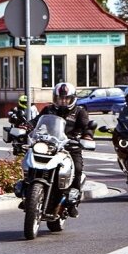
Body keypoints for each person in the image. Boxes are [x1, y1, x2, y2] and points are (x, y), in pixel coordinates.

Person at [36, 82, 94, 217]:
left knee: (77, 169)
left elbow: (87, 127)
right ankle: (30, 191)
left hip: (70, 147)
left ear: (72, 98)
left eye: (66, 98)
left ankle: (73, 200)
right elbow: (36, 122)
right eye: (60, 98)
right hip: (50, 146)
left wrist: (87, 136)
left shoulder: (79, 111)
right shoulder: (49, 110)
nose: (63, 101)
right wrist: (24, 127)